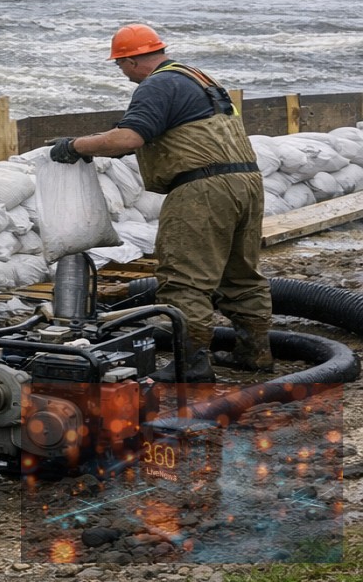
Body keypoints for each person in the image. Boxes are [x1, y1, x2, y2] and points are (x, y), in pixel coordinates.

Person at [47, 24, 270, 383]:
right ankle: (255, 352)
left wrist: (74, 146)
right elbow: (169, 132)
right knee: (241, 275)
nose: (122, 72)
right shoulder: (197, 78)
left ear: (132, 61)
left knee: (184, 279)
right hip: (246, 182)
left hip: (203, 189)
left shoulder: (157, 85)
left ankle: (191, 365)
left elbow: (129, 137)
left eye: (120, 65)